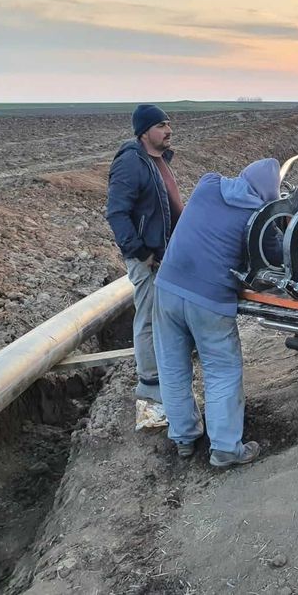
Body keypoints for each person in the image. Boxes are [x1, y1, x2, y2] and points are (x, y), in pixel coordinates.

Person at [152, 159, 282, 467]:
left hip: (167, 287)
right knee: (221, 369)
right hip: (209, 300)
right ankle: (225, 447)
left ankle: (183, 436)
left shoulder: (208, 184)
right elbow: (277, 256)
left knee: (171, 365)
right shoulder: (258, 217)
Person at [106, 105, 183, 427]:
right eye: (161, 125)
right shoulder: (130, 163)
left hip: (164, 254)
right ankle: (151, 389)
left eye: (168, 123)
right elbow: (116, 213)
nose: (168, 130)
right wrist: (140, 252)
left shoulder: (158, 160)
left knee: (162, 317)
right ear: (144, 131)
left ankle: (167, 376)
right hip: (148, 258)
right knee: (149, 320)